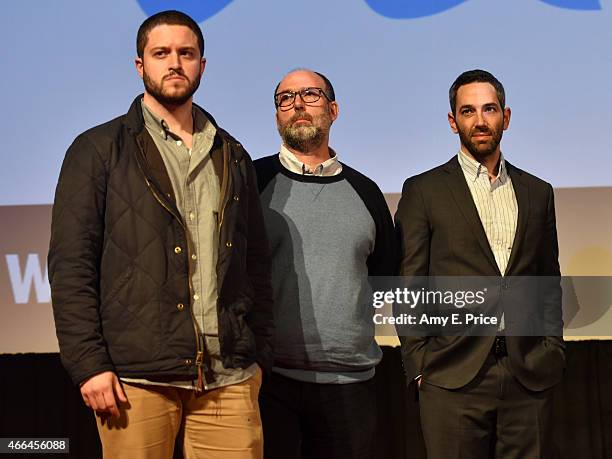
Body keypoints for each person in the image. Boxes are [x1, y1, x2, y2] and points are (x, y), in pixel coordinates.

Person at [48, 10, 273, 459]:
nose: (175, 63)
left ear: (202, 66)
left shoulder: (232, 153)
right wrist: (89, 366)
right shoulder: (97, 150)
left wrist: (257, 355)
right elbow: (71, 266)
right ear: (140, 65)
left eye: (186, 53)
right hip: (137, 379)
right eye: (161, 53)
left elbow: (256, 265)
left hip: (227, 377)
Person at [394, 69, 565, 459]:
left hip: (529, 377)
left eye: (489, 109)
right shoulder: (423, 190)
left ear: (505, 117)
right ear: (454, 122)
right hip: (451, 377)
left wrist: (552, 350)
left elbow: (547, 282)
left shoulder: (538, 192)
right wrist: (419, 365)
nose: (480, 120)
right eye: (468, 111)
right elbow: (409, 286)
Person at [254, 69, 395, 459]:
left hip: (349, 386)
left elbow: (385, 280)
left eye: (310, 95)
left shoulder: (365, 192)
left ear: (333, 110)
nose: (297, 104)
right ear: (278, 115)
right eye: (285, 98)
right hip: (267, 384)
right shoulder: (251, 180)